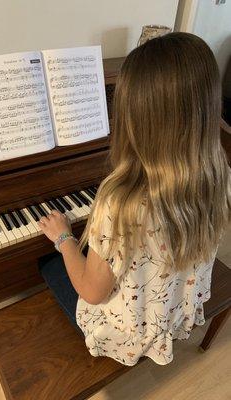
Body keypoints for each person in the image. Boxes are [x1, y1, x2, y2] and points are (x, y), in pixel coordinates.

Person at [38, 32, 231, 366]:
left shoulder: (120, 201)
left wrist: (63, 238)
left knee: (51, 262)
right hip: (175, 306)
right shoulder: (219, 171)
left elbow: (93, 292)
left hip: (129, 331)